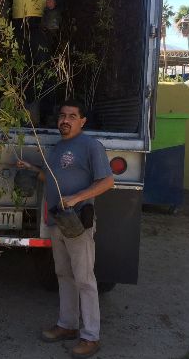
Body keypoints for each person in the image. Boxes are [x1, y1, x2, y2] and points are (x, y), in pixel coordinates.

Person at [17, 99, 114, 359]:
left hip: (78, 221)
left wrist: (77, 197)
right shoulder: (58, 147)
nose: (65, 120)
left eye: (72, 116)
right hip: (58, 221)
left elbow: (107, 182)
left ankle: (91, 337)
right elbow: (52, 178)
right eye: (62, 115)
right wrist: (33, 170)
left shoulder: (90, 145)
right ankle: (67, 325)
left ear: (82, 121)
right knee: (64, 274)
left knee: (85, 279)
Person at [6, 0, 65, 102]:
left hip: (40, 23)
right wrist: (0, 0)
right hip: (17, 24)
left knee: (41, 65)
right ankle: (23, 106)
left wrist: (54, 2)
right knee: (19, 66)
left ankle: (44, 109)